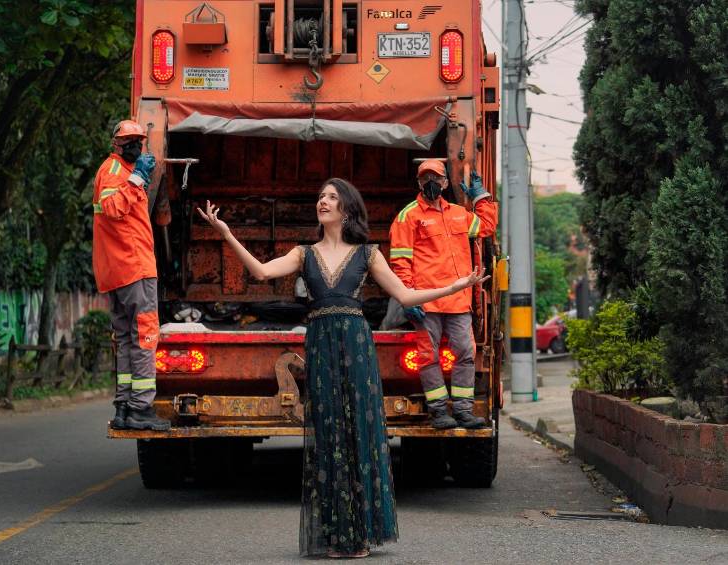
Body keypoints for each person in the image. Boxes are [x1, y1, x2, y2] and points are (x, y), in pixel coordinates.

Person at [198, 178, 487, 559]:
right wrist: (226, 233)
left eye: (332, 197)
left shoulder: (369, 254)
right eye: (321, 196)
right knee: (329, 435)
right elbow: (262, 272)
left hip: (356, 344)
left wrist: (454, 287)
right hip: (320, 342)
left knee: (358, 434)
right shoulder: (304, 254)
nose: (323, 201)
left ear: (347, 209)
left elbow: (405, 295)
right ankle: (336, 535)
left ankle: (361, 535)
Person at [389, 159, 498, 430]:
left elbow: (486, 226)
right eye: (426, 178)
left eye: (436, 178)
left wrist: (481, 196)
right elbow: (400, 261)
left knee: (465, 353)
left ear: (446, 183)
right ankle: (439, 412)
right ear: (418, 183)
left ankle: (462, 411)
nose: (431, 183)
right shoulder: (408, 216)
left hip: (458, 302)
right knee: (429, 357)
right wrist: (408, 296)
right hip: (426, 302)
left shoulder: (459, 214)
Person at [92, 119, 170, 431]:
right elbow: (112, 207)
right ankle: (141, 408)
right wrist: (138, 178)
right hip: (132, 268)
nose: (135, 146)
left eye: (138, 140)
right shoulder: (115, 172)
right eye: (129, 141)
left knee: (126, 339)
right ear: (116, 144)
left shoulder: (119, 172)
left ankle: (124, 406)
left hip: (119, 270)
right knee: (146, 337)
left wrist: (135, 177)